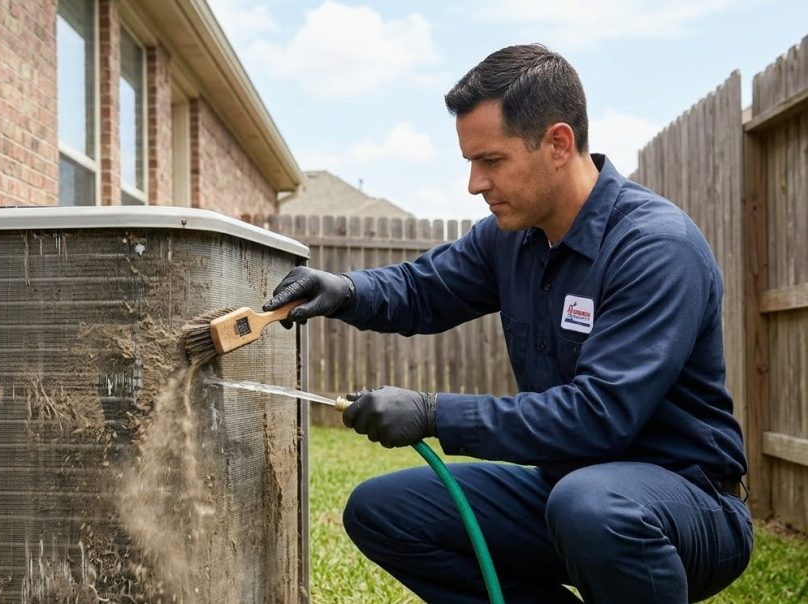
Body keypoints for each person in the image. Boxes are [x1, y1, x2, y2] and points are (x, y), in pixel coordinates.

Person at [263, 44, 752, 603]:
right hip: (565, 491)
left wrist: (431, 414)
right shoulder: (510, 239)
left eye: (491, 161)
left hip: (689, 506)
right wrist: (346, 291)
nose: (474, 183)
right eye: (470, 162)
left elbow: (599, 416)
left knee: (592, 506)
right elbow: (424, 288)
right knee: (384, 510)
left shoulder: (654, 248)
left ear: (558, 144)